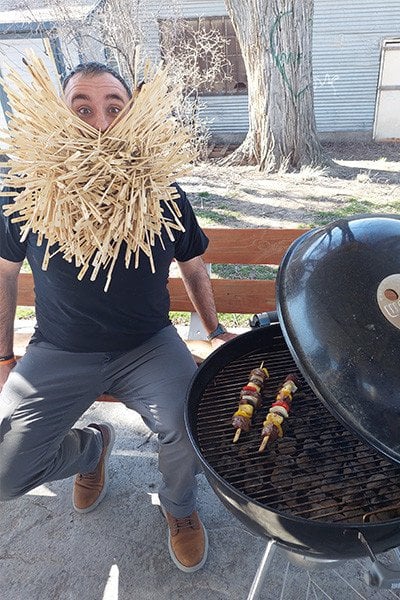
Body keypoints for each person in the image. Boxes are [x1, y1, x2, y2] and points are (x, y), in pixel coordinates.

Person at [0, 62, 235, 573]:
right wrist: (3, 355)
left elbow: (193, 266)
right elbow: (5, 273)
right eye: (82, 108)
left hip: (148, 345)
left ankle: (179, 508)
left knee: (188, 426)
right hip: (58, 349)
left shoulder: (162, 191)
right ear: (58, 115)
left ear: (134, 115)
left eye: (114, 107)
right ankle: (92, 449)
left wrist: (215, 329)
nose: (100, 122)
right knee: (5, 471)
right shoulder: (27, 190)